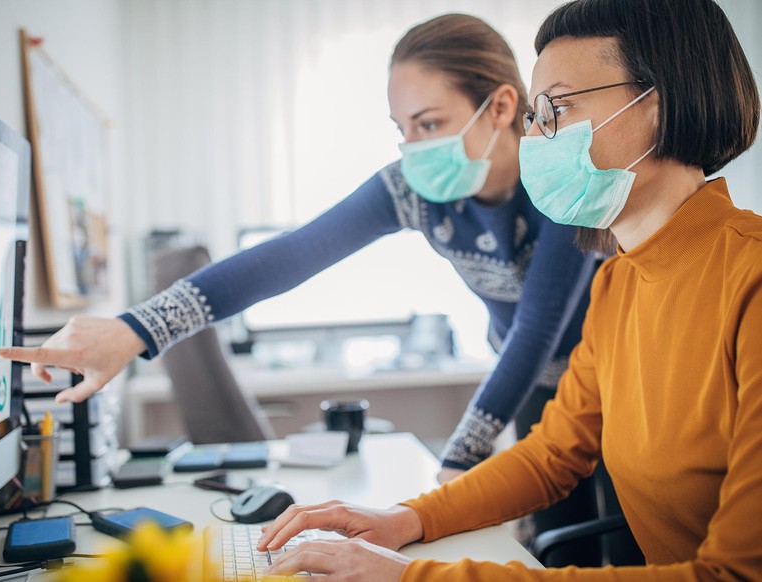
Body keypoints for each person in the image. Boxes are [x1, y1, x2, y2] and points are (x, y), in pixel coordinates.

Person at [0, 14, 602, 557]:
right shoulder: (411, 189)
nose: (414, 149)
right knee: (557, 546)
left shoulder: (555, 178)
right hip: (533, 393)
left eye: (430, 124)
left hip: (607, 379)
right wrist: (134, 331)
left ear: (499, 107)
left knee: (629, 539)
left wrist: (454, 468)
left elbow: (537, 329)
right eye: (402, 128)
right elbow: (285, 259)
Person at [254, 0, 762, 578]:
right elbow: (552, 455)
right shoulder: (619, 281)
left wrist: (410, 575)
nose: (537, 138)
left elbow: (734, 575)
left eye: (559, 108)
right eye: (535, 115)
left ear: (659, 104)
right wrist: (401, 520)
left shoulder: (750, 283)